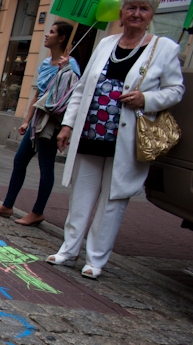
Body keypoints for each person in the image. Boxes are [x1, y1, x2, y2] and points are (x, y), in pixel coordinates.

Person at [47, 0, 184, 279]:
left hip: (126, 137)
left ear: (151, 15)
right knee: (81, 195)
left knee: (113, 199)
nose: (136, 13)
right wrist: (67, 125)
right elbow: (83, 87)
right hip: (92, 130)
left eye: (143, 8)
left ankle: (95, 260)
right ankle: (68, 250)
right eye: (131, 7)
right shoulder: (106, 44)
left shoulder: (164, 48)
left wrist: (147, 98)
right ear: (121, 14)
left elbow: (176, 90)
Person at [0, 22, 80, 225]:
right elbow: (38, 93)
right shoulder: (46, 63)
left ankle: (37, 212)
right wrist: (26, 121)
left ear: (62, 38)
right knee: (20, 160)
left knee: (46, 166)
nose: (47, 35)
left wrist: (65, 72)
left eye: (52, 32)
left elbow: (72, 96)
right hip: (36, 120)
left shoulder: (71, 66)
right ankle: (7, 205)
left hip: (51, 122)